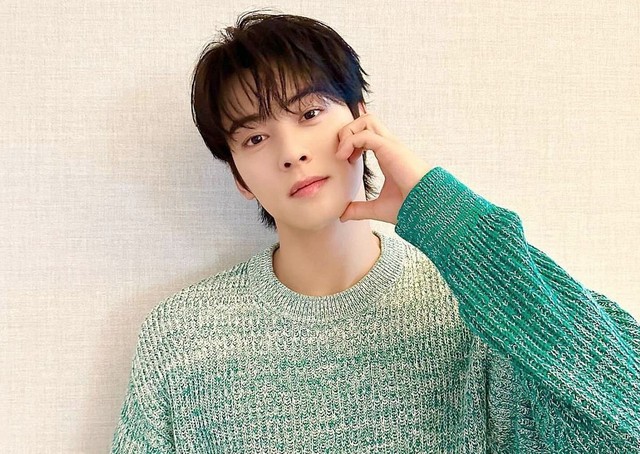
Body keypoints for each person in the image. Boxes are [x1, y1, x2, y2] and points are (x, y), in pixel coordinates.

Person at [111, 10, 639, 453]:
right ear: (239, 179)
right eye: (254, 139)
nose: (291, 152)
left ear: (361, 120)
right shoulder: (183, 339)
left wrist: (447, 219)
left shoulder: (474, 307)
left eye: (310, 112)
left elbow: (625, 414)